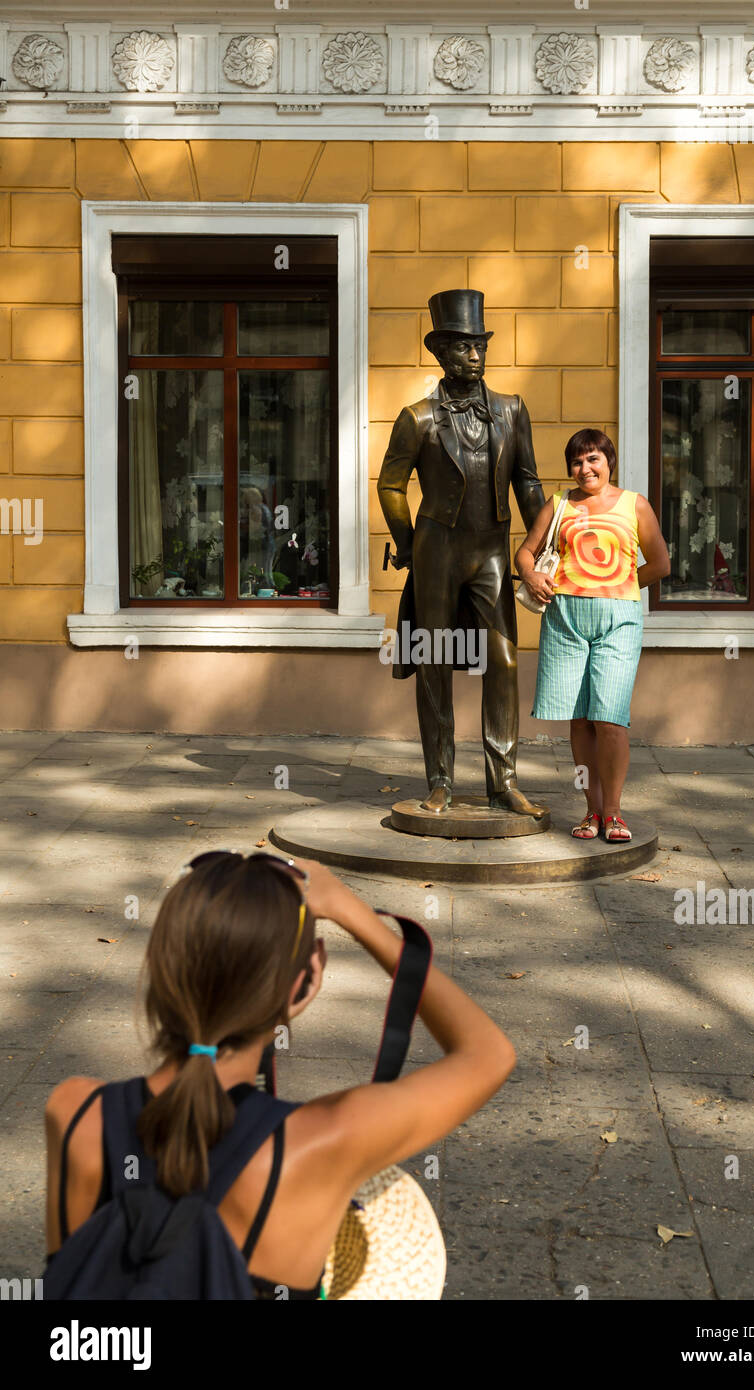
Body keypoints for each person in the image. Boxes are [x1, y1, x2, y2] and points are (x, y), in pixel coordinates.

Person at [43, 851, 515, 1298]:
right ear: (306, 982)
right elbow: (488, 1054)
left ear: (161, 977)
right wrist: (354, 913)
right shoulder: (321, 1141)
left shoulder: (74, 1112)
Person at [377, 288, 546, 818]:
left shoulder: (512, 410)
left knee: (501, 660)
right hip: (436, 552)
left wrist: (544, 545)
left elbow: (529, 482)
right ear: (440, 353)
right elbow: (390, 485)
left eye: (480, 345)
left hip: (492, 553)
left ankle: (504, 781)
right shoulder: (417, 418)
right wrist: (406, 544)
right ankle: (441, 779)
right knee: (434, 660)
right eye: (463, 346)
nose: (475, 355)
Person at [515, 429, 670, 843]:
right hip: (565, 618)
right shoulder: (559, 504)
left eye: (594, 460)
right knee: (580, 719)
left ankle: (615, 813)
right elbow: (525, 551)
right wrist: (531, 576)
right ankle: (591, 811)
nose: (586, 469)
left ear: (609, 462)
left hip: (618, 620)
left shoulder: (634, 504)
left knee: (610, 719)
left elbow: (660, 563)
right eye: (578, 462)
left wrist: (618, 584)